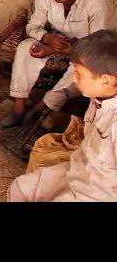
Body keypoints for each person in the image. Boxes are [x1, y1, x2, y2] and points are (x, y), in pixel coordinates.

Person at [8, 29, 117, 201]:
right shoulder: (98, 98)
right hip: (79, 170)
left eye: (80, 74)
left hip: (101, 191)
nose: (74, 79)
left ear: (105, 80)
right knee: (20, 188)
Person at [0, 0, 109, 129]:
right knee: (24, 48)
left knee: (81, 71)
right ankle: (19, 109)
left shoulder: (96, 4)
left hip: (82, 51)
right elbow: (32, 27)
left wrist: (56, 50)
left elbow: (95, 46)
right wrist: (47, 38)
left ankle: (39, 108)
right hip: (54, 41)